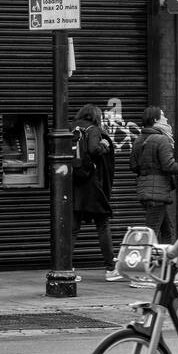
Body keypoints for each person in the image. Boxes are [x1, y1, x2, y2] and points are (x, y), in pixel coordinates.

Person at [132, 107, 178, 287]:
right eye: (163, 117)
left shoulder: (139, 139)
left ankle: (168, 270)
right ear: (155, 120)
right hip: (158, 192)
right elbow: (169, 166)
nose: (167, 120)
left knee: (166, 231)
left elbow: (133, 166)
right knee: (152, 233)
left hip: (146, 191)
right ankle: (144, 276)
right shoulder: (161, 139)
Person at [71, 104, 123, 282]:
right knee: (102, 224)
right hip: (91, 185)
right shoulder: (93, 130)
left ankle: (66, 267)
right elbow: (94, 150)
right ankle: (110, 268)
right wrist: (105, 144)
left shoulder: (72, 128)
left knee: (72, 229)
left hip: (72, 183)